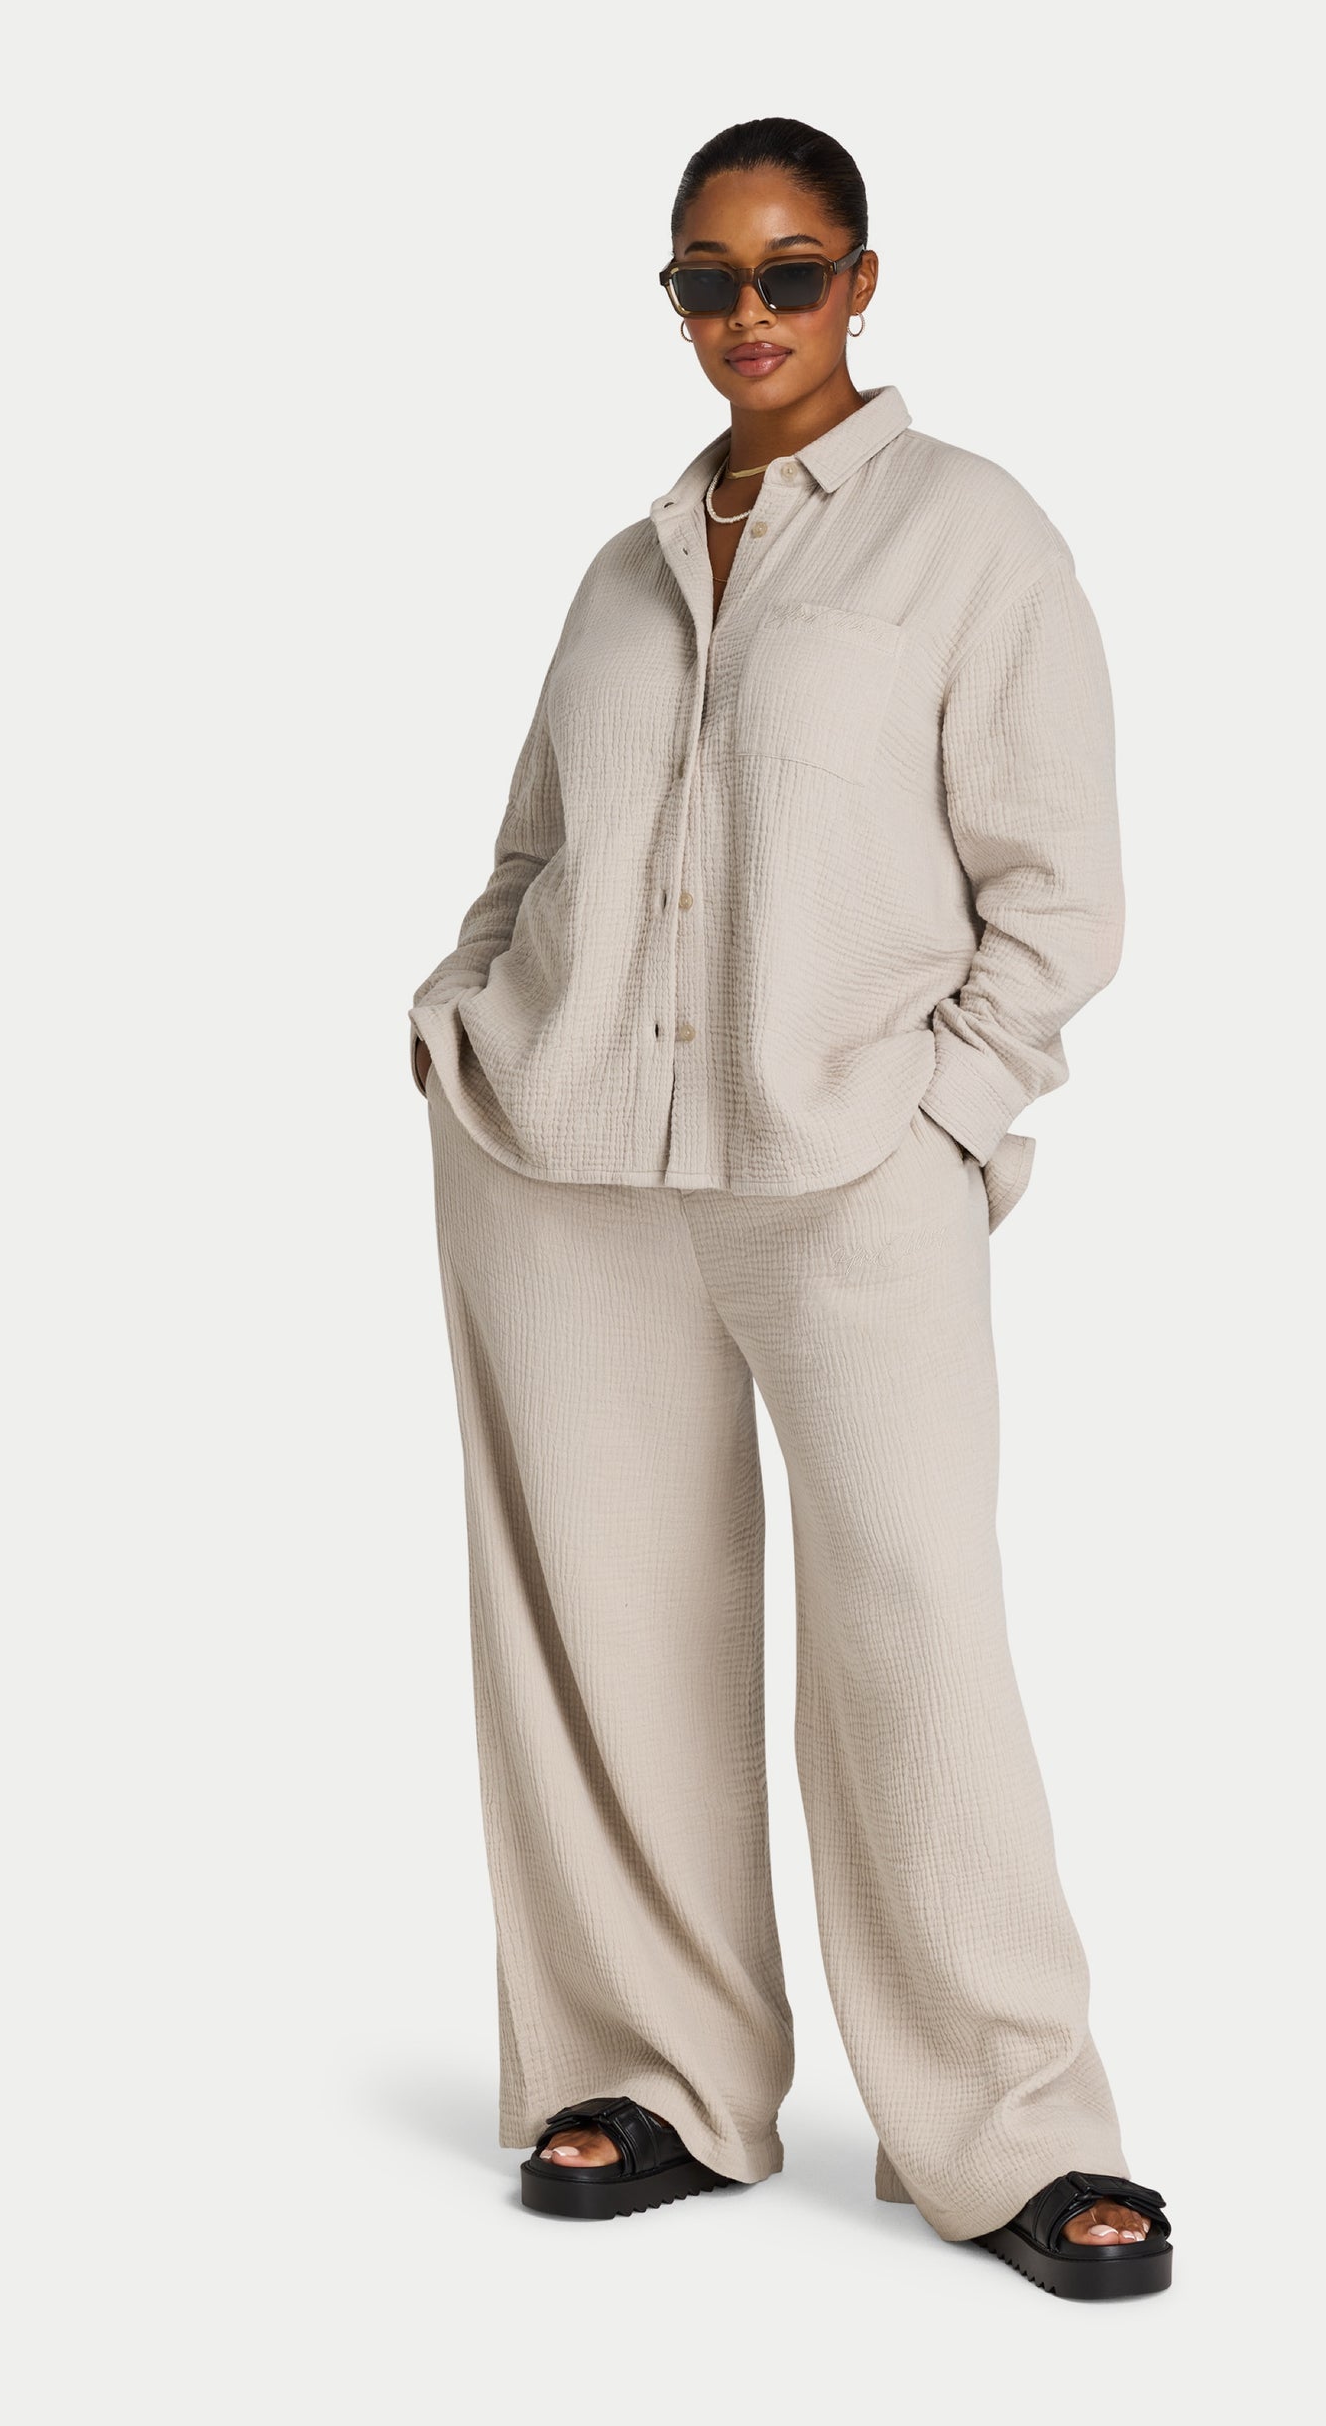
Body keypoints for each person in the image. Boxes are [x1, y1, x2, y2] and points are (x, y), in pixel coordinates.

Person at [408, 116, 1173, 2300]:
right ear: (672, 298)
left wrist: (950, 1110)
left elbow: (1058, 886)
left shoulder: (969, 535)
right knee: (605, 1619)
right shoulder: (623, 565)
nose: (749, 314)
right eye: (708, 279)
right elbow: (536, 850)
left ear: (861, 280)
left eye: (791, 270)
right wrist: (461, 1013)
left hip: (848, 1164)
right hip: (564, 1160)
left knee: (912, 1619)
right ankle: (649, 2071)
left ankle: (1010, 2124)